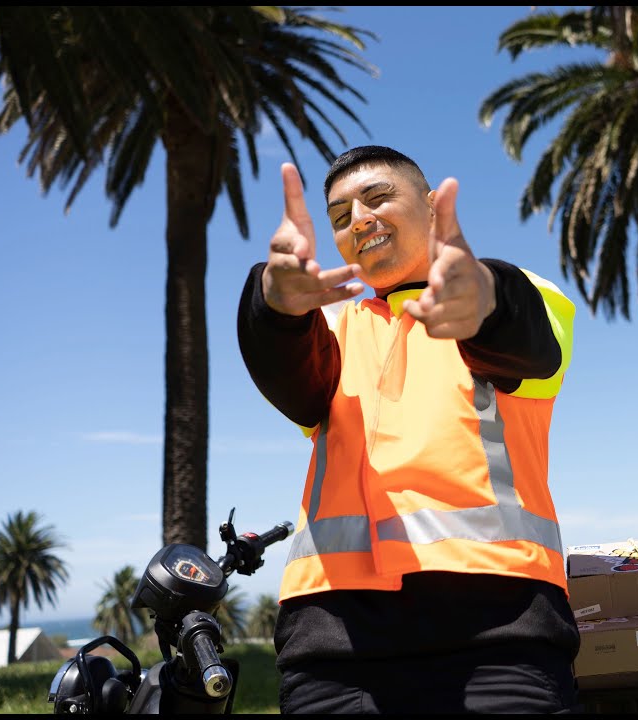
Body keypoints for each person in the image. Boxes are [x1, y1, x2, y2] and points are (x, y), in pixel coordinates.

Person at [236, 145, 580, 714]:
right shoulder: (326, 327)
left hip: (498, 630)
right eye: (340, 217)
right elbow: (292, 379)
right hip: (334, 642)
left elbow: (524, 338)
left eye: (377, 198)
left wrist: (484, 299)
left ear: (431, 205)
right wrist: (274, 308)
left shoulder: (520, 293)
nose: (358, 220)